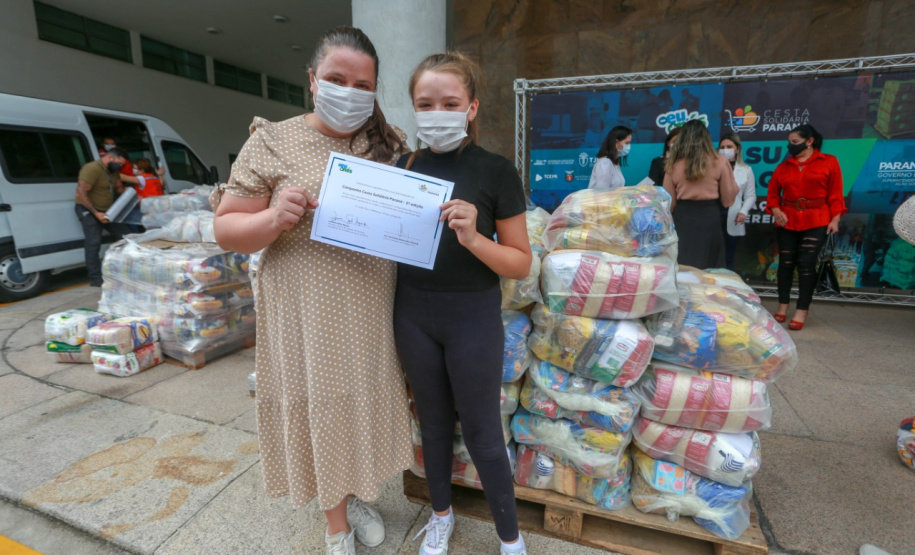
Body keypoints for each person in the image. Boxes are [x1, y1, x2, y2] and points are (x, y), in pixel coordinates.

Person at [211, 26, 412, 555]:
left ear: (374, 89)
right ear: (312, 80)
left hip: (369, 303)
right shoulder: (272, 140)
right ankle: (336, 525)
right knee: (321, 404)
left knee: (356, 403)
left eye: (362, 83)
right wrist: (275, 218)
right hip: (305, 308)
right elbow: (228, 227)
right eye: (336, 79)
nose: (350, 91)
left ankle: (351, 497)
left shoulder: (384, 144)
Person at [394, 52, 532, 555]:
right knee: (430, 423)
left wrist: (474, 237)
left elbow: (520, 263)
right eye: (424, 103)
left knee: (481, 429)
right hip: (412, 312)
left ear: (471, 108)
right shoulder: (401, 166)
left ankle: (510, 537)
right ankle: (440, 515)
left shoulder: (495, 171)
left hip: (472, 314)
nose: (436, 112)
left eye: (449, 102)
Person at [766, 124, 846, 330]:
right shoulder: (783, 167)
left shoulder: (829, 162)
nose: (790, 146)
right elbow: (773, 194)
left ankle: (802, 309)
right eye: (789, 142)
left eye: (795, 142)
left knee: (806, 264)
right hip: (787, 220)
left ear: (809, 141)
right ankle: (783, 306)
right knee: (785, 263)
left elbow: (836, 194)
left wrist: (835, 219)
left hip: (817, 219)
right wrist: (775, 209)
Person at [662, 120, 738, 269]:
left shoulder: (673, 164)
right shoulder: (720, 162)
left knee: (683, 266)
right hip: (709, 218)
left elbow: (668, 204)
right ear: (706, 138)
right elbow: (728, 200)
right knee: (709, 268)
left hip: (683, 219)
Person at [75, 147, 131, 287]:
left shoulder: (113, 171)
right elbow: (81, 193)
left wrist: (132, 196)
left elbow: (118, 188)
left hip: (108, 211)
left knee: (126, 237)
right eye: (120, 163)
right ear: (110, 158)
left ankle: (126, 271)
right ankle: (95, 278)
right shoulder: (91, 169)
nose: (121, 166)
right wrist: (96, 213)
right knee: (93, 243)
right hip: (89, 210)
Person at [718, 133, 757, 271]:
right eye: (722, 147)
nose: (725, 149)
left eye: (729, 146)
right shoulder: (712, 167)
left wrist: (743, 211)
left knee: (728, 255)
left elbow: (750, 195)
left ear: (737, 149)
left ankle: (727, 288)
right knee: (710, 253)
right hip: (713, 215)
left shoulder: (746, 169)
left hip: (733, 215)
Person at [588, 125, 631, 189]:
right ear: (617, 142)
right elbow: (602, 193)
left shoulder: (615, 162)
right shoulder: (605, 162)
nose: (629, 146)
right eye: (627, 143)